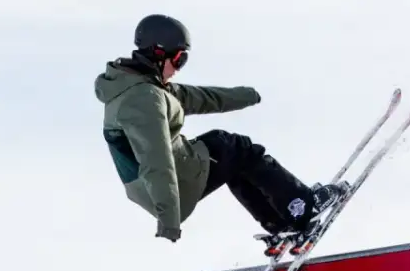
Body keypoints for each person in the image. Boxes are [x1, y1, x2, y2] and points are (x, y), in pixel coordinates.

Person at [94, 13, 349, 248]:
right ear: (159, 53)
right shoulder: (144, 100)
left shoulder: (142, 86)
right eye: (179, 59)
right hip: (166, 189)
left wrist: (250, 95)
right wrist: (168, 220)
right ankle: (304, 207)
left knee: (231, 159)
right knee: (235, 147)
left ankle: (279, 223)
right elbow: (156, 160)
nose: (180, 66)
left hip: (162, 183)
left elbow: (204, 97)